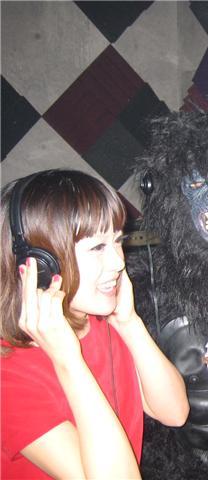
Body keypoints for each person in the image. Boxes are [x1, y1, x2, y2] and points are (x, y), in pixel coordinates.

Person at [0, 169, 190, 479]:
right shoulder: (9, 376)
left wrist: (129, 323)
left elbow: (175, 412)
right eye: (97, 248)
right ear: (40, 266)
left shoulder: (100, 322)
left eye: (117, 241)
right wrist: (69, 363)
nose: (118, 262)